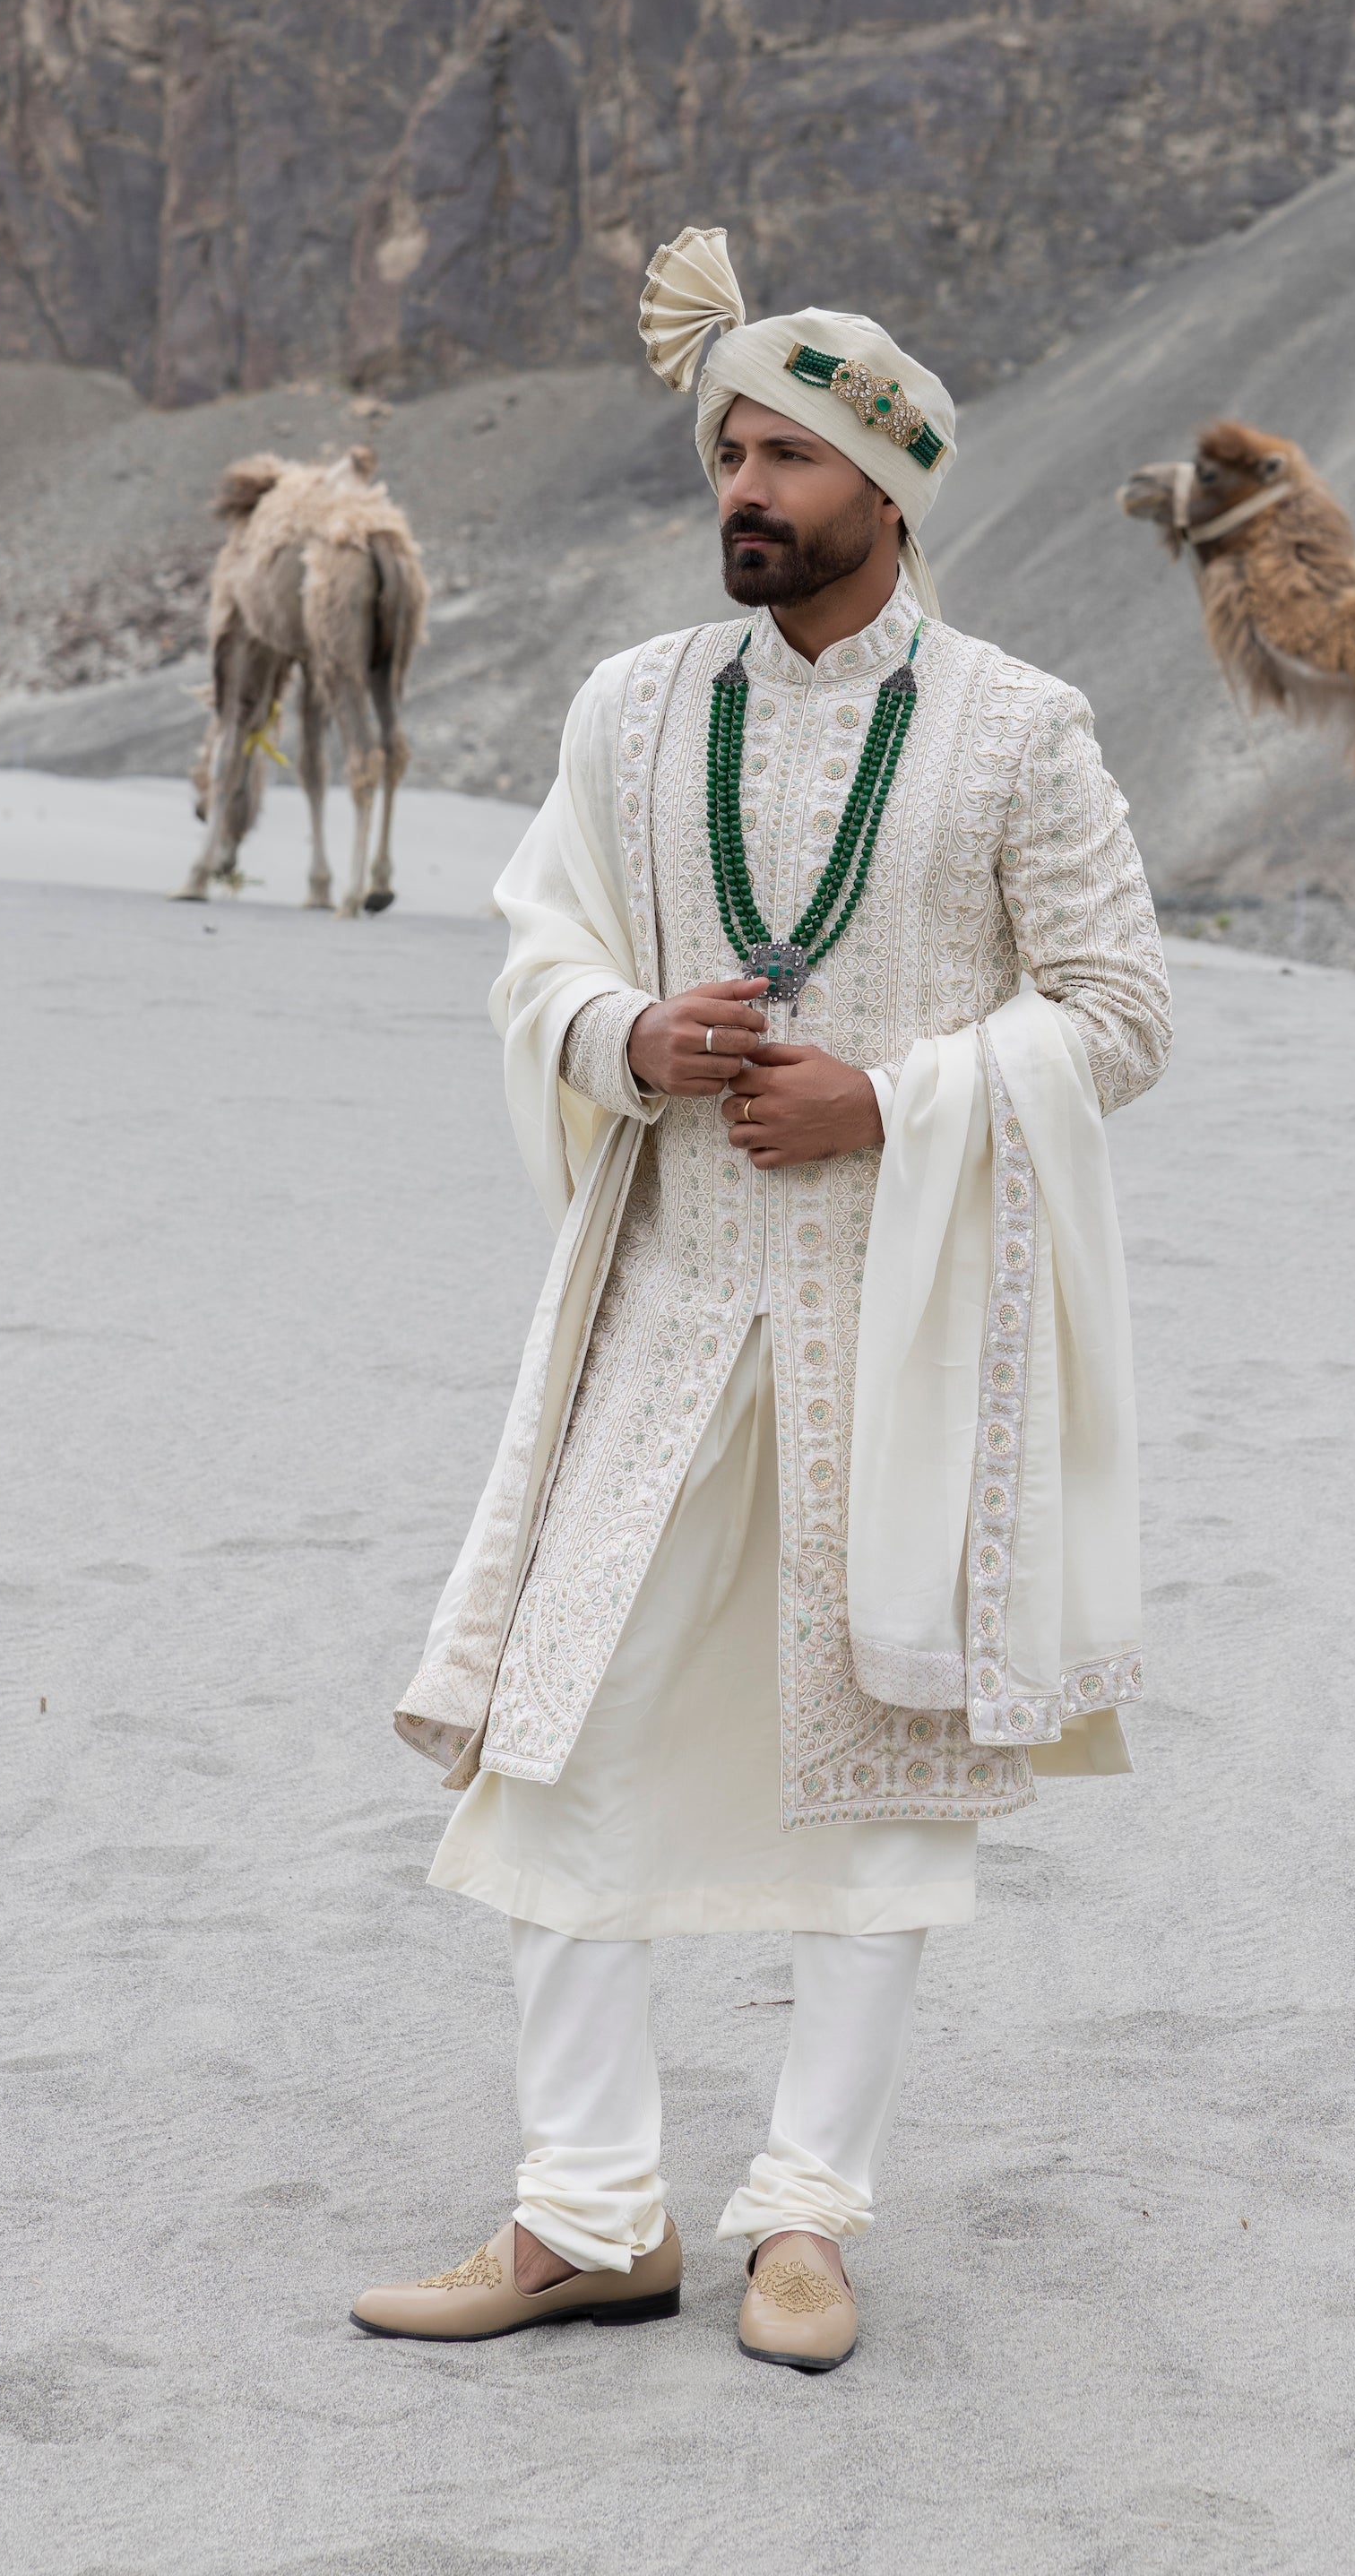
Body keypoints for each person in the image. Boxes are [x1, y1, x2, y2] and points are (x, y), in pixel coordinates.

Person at [353, 226, 1170, 2373]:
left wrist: (892, 1099)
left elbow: (1115, 1009)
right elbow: (537, 947)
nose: (743, 483)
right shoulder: (633, 709)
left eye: (786, 454)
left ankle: (805, 2214)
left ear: (890, 490)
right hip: (660, 1298)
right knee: (560, 1730)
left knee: (873, 1761)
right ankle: (585, 2209)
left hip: (900, 1326)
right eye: (726, 445)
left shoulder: (1021, 729)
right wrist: (628, 1036)